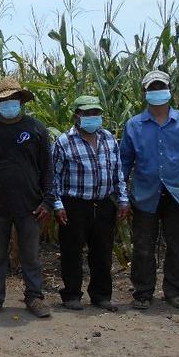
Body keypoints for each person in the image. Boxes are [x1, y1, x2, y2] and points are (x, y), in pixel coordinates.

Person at [119, 70, 179, 310]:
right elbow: (124, 163)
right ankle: (143, 292)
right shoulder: (134, 125)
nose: (157, 91)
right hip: (144, 194)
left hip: (178, 193)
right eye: (152, 88)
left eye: (161, 87)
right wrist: (121, 195)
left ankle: (176, 292)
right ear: (145, 93)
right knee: (142, 246)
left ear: (170, 90)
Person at [0, 77, 54, 319]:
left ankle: (34, 296)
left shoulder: (36, 129)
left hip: (30, 204)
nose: (8, 104)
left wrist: (47, 200)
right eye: (3, 100)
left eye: (12, 99)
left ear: (20, 100)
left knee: (31, 255)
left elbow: (47, 168)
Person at [52, 95, 129, 312]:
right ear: (77, 115)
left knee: (103, 252)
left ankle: (101, 295)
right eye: (87, 113)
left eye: (96, 113)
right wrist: (57, 205)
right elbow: (53, 177)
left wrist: (123, 199)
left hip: (104, 203)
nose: (93, 117)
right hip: (74, 205)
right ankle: (71, 295)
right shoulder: (64, 142)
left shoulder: (109, 139)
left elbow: (118, 173)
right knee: (71, 251)